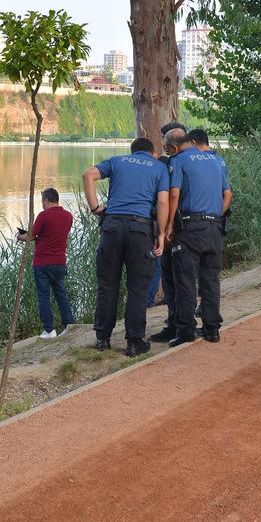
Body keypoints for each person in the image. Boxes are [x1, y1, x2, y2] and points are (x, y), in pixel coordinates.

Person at [82, 137, 169, 357]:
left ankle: (102, 339)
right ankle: (134, 342)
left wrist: (95, 208)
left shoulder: (117, 161)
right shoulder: (158, 167)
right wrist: (160, 233)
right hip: (139, 230)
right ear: (152, 153)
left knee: (107, 285)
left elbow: (88, 175)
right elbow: (162, 202)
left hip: (111, 227)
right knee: (137, 288)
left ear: (132, 152)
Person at [165, 130, 232, 345]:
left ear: (174, 148)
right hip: (214, 226)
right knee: (211, 280)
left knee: (185, 280)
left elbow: (174, 193)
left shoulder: (179, 160)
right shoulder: (214, 160)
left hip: (190, 227)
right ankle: (212, 329)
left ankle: (186, 331)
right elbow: (227, 193)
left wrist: (168, 226)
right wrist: (215, 217)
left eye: (167, 148)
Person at [17, 188, 76, 339]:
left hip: (42, 263)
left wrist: (19, 236)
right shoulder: (68, 216)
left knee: (43, 296)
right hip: (60, 262)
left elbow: (31, 236)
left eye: (42, 201)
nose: (42, 204)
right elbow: (53, 235)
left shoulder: (43, 216)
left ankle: (49, 330)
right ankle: (69, 325)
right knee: (61, 294)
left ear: (47, 200)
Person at [149, 121, 188, 342]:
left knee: (173, 278)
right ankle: (177, 322)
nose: (163, 146)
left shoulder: (171, 165)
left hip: (173, 230)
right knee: (177, 279)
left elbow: (169, 198)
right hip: (188, 228)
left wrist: (165, 229)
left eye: (164, 141)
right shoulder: (190, 162)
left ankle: (177, 325)